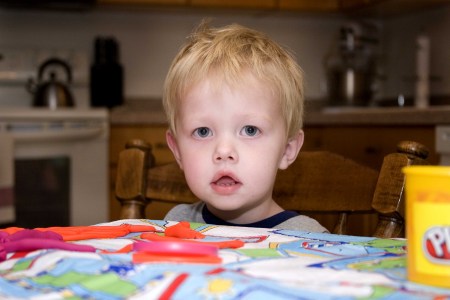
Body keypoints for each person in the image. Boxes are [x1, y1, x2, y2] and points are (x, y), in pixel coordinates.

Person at [162, 21, 327, 232]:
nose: (224, 151)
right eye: (203, 131)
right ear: (177, 151)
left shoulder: (310, 240)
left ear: (287, 149)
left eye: (250, 130)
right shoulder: (176, 223)